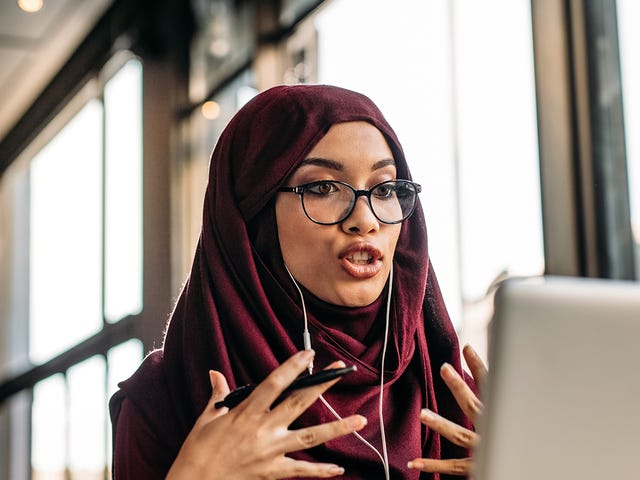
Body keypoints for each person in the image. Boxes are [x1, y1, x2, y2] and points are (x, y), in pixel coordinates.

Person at [109, 84, 486, 479]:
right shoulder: (165, 398)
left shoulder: (456, 400)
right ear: (253, 220)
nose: (365, 219)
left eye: (385, 188)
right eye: (323, 187)